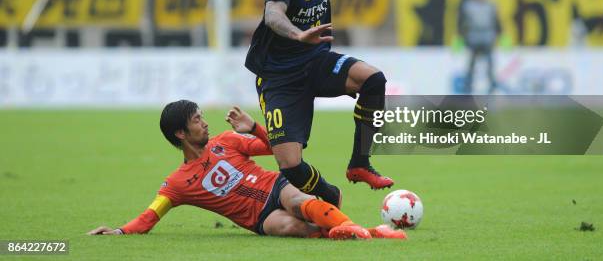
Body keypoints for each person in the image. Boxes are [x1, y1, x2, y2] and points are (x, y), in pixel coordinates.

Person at [244, 0, 394, 207]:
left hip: (315, 61)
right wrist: (298, 35)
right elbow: (273, 14)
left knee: (374, 80)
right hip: (278, 77)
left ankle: (359, 164)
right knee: (291, 166)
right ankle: (330, 197)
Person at [87, 100, 404, 240]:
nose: (205, 122)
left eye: (201, 116)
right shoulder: (177, 184)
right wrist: (119, 231)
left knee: (296, 201)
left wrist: (253, 127)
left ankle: (364, 231)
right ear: (180, 134)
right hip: (259, 219)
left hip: (275, 186)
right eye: (197, 120)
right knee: (291, 228)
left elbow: (275, 147)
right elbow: (150, 216)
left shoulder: (226, 141)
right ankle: (359, 229)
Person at [458, 0, 501, 94]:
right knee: (471, 65)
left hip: (487, 37)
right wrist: (460, 37)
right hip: (473, 37)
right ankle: (468, 88)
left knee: (490, 64)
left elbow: (496, 21)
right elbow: (461, 22)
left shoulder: (490, 4)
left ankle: (492, 87)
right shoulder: (467, 5)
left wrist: (500, 35)